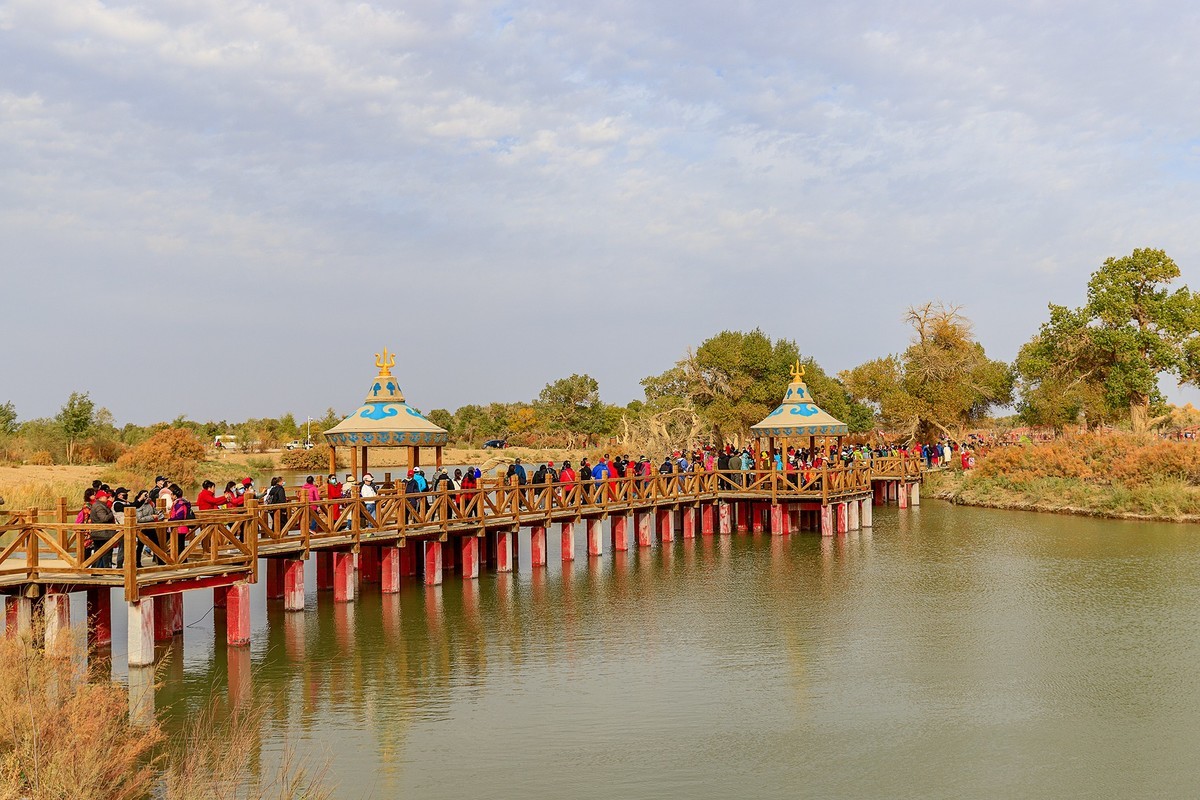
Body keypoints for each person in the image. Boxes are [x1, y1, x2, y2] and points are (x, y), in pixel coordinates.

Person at [168, 484, 194, 559]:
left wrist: (170, 520)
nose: (171, 497)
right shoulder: (182, 502)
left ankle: (181, 560)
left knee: (180, 545)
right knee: (180, 545)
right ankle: (181, 560)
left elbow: (180, 516)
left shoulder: (179, 503)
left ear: (175, 496)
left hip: (179, 527)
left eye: (172, 495)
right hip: (181, 527)